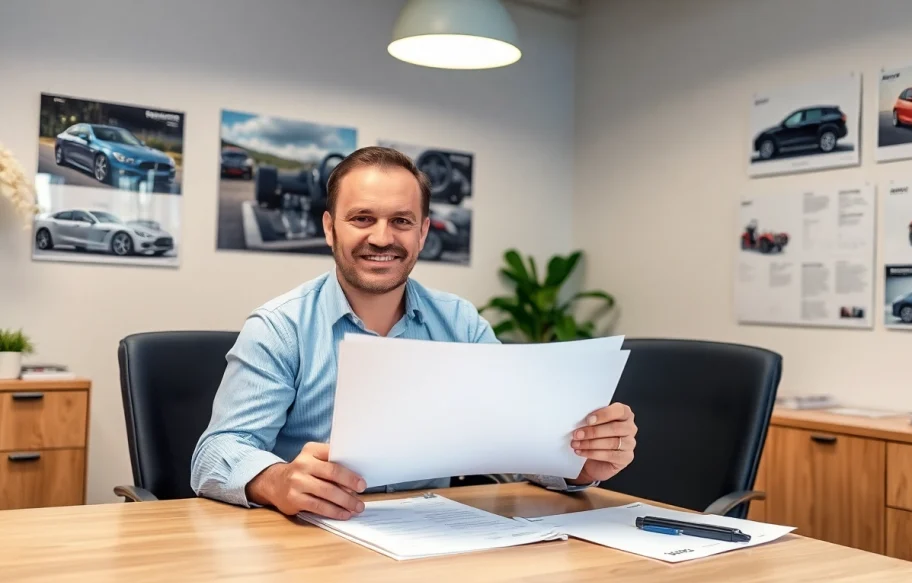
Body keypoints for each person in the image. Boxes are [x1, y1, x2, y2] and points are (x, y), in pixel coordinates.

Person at [190, 146, 638, 521]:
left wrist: (581, 464)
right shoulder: (280, 327)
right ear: (329, 228)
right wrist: (276, 480)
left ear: (423, 232)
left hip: (432, 536)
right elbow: (216, 452)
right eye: (362, 218)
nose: (382, 238)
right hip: (313, 540)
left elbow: (514, 439)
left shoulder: (461, 324)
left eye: (401, 221)